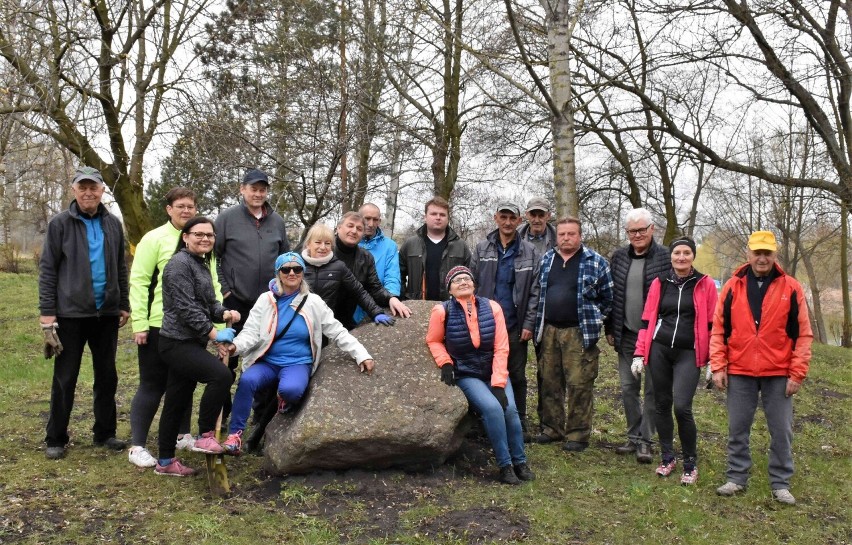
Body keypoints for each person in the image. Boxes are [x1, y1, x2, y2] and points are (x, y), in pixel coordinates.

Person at [220, 252, 376, 456]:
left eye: (297, 269)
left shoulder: (313, 302)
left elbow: (336, 330)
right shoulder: (265, 300)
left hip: (298, 362)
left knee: (291, 391)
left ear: (303, 273)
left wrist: (361, 354)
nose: (292, 273)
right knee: (248, 381)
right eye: (286, 269)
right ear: (278, 273)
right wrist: (234, 347)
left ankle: (282, 397)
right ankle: (235, 435)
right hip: (268, 361)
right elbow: (250, 331)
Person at [711, 231, 812, 505]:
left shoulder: (791, 287)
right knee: (737, 428)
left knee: (781, 430)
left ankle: (780, 483)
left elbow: (803, 334)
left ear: (775, 255)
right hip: (740, 370)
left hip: (779, 372)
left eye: (767, 253)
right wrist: (718, 365)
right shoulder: (732, 286)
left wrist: (797, 372)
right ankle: (736, 477)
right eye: (758, 252)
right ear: (748, 254)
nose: (762, 258)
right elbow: (718, 329)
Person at [38, 166, 130, 460]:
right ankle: (56, 437)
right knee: (65, 377)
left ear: (103, 190)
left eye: (94, 187)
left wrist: (123, 303)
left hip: (106, 315)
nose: (88, 192)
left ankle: (104, 433)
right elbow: (48, 270)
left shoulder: (113, 224)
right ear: (74, 190)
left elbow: (120, 267)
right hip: (70, 315)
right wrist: (47, 314)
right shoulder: (60, 224)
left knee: (107, 376)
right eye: (83, 187)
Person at [127, 187, 223, 467]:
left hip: (194, 328)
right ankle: (138, 445)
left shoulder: (204, 243)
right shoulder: (153, 239)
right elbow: (140, 281)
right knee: (153, 384)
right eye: (180, 206)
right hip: (159, 324)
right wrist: (140, 323)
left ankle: (182, 436)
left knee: (183, 384)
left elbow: (213, 288)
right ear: (168, 209)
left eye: (191, 206)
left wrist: (216, 325)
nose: (186, 211)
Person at [426, 266, 535, 485]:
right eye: (457, 280)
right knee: (493, 409)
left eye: (467, 278)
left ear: (474, 284)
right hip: (467, 374)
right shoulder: (442, 311)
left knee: (511, 410)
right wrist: (445, 362)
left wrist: (498, 382)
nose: (463, 282)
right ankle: (505, 465)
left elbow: (501, 346)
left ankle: (520, 461)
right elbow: (434, 340)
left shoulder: (492, 307)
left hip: (493, 371)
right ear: (449, 289)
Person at [154, 217, 241, 477]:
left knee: (176, 400)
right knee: (221, 375)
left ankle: (165, 461)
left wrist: (224, 312)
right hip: (176, 342)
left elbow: (207, 302)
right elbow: (186, 309)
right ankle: (205, 435)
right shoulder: (178, 265)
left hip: (190, 341)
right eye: (198, 234)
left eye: (209, 235)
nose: (205, 239)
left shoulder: (202, 263)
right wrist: (215, 334)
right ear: (185, 237)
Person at [632, 237, 717, 485]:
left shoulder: (705, 284)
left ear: (693, 256)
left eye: (686, 253)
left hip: (688, 352)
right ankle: (667, 457)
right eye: (677, 253)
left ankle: (690, 461)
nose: (681, 257)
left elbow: (713, 323)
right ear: (671, 256)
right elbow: (647, 320)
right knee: (661, 404)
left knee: (682, 407)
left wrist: (713, 359)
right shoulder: (660, 282)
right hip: (659, 350)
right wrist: (639, 352)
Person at [533, 217, 613, 452]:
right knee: (549, 381)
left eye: (571, 234)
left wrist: (596, 319)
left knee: (579, 383)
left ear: (580, 236)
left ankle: (577, 434)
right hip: (549, 330)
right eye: (562, 234)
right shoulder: (547, 260)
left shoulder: (596, 262)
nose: (566, 238)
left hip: (579, 332)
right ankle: (552, 429)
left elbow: (608, 298)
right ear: (556, 237)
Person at [604, 207, 670, 463]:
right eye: (633, 231)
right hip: (627, 334)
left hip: (656, 337)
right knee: (628, 388)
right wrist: (610, 327)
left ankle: (646, 440)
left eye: (642, 229)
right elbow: (613, 297)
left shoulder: (665, 257)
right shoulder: (618, 257)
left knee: (653, 391)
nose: (638, 235)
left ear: (652, 229)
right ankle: (633, 437)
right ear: (627, 233)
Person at [471, 202, 540, 440]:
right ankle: (484, 421)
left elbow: (535, 291)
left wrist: (529, 324)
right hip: (485, 325)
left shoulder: (529, 252)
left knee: (517, 375)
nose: (508, 222)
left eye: (512, 218)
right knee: (485, 373)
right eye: (504, 217)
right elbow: (472, 285)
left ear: (519, 221)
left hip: (515, 325)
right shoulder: (482, 249)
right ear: (496, 218)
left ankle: (519, 422)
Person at [214, 168, 290, 363]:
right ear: (242, 189)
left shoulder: (277, 221)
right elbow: (214, 257)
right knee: (228, 356)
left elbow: (285, 258)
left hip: (268, 300)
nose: (258, 194)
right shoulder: (226, 218)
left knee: (262, 353)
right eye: (253, 189)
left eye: (262, 190)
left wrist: (281, 289)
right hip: (234, 301)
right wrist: (225, 290)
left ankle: (255, 392)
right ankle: (223, 392)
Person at [302, 223, 395, 327]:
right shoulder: (297, 266)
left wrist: (376, 312)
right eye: (318, 242)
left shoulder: (339, 266)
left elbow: (358, 292)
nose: (323, 247)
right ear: (308, 244)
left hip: (324, 325)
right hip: (299, 322)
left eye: (327, 243)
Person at [333, 212, 410, 329]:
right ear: (338, 228)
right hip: (315, 316)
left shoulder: (365, 257)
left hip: (345, 320)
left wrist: (391, 298)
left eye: (359, 229)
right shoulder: (322, 248)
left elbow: (374, 287)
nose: (354, 231)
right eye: (350, 226)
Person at [399, 196, 472, 301]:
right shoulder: (410, 244)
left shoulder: (461, 246)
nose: (438, 217)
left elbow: (470, 279)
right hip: (416, 308)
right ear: (425, 217)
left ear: (448, 218)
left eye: (442, 215)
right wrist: (403, 299)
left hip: (452, 308)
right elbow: (399, 276)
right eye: (433, 214)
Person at [354, 203, 401, 324]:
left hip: (377, 303)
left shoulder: (390, 246)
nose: (371, 224)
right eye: (367, 218)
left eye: (375, 220)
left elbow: (392, 275)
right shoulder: (350, 242)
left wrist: (391, 298)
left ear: (379, 221)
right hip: (349, 306)